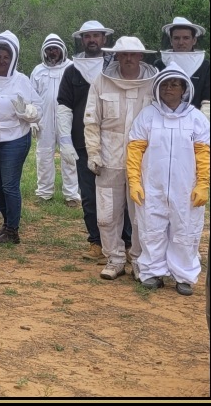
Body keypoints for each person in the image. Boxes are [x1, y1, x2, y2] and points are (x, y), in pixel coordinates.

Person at [127, 63, 210, 294]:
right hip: (152, 186)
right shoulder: (147, 115)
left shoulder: (196, 119)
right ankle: (153, 272)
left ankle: (184, 276)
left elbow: (204, 154)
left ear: (184, 88)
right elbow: (135, 150)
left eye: (174, 84)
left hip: (186, 188)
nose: (169, 88)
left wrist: (204, 184)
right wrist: (134, 181)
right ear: (157, 88)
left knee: (185, 231)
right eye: (165, 84)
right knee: (151, 229)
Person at [83, 36, 158, 281]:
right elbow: (91, 121)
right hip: (108, 157)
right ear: (116, 56)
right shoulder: (101, 82)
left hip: (143, 161)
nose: (127, 58)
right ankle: (114, 259)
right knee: (106, 214)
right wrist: (93, 153)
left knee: (141, 215)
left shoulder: (154, 83)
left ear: (140, 56)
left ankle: (138, 259)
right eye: (122, 54)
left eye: (132, 54)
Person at [56, 20, 130, 265]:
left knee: (122, 195)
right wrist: (64, 141)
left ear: (104, 39)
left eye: (96, 36)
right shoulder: (72, 70)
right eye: (87, 36)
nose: (92, 40)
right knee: (89, 196)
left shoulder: (116, 68)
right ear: (81, 40)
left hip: (116, 144)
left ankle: (125, 244)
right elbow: (64, 108)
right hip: (82, 144)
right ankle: (96, 242)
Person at [0, 31, 41, 244]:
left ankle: (13, 231)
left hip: (14, 139)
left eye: (6, 57)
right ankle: (6, 222)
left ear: (13, 59)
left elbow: (37, 108)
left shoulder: (21, 80)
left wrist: (28, 112)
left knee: (9, 185)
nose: (2, 61)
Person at [30, 34, 80, 207]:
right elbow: (32, 97)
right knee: (43, 155)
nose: (53, 52)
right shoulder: (38, 71)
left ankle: (71, 195)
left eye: (56, 49)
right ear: (45, 51)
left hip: (67, 118)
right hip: (44, 120)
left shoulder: (72, 67)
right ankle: (44, 192)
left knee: (69, 155)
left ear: (62, 50)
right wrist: (33, 120)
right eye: (50, 49)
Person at [155, 17, 210, 116]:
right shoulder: (159, 65)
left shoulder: (206, 66)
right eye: (176, 38)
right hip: (163, 119)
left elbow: (208, 101)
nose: (181, 42)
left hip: (197, 122)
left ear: (194, 40)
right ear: (171, 41)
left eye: (186, 38)